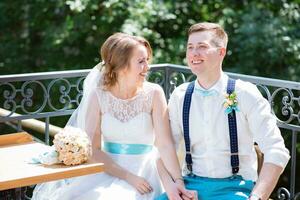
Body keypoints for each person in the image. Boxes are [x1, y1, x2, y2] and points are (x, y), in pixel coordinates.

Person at [32, 33, 192, 200]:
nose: (147, 66)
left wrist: (178, 180)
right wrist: (128, 177)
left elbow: (165, 144)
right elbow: (92, 150)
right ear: (122, 66)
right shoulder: (98, 95)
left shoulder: (154, 93)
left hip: (146, 170)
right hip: (107, 168)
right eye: (141, 61)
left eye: (147, 60)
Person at [156, 22, 290, 200]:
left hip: (235, 188)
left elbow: (276, 149)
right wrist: (173, 187)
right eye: (190, 47)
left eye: (202, 46)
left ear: (221, 52)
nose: (194, 53)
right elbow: (165, 149)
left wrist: (257, 197)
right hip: (190, 187)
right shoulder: (180, 96)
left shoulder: (245, 93)